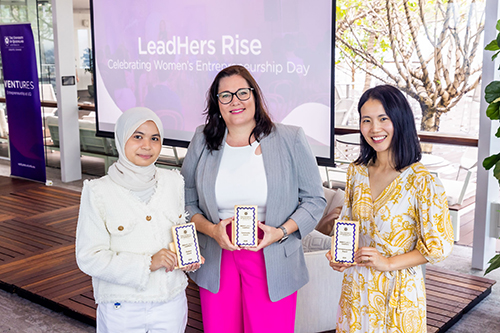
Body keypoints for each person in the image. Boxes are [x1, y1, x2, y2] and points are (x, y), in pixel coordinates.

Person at [181, 65, 326, 333]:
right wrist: (212, 230)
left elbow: (314, 200)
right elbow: (186, 200)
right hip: (217, 256)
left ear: (255, 96)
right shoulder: (202, 140)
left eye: (242, 92)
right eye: (225, 95)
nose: (235, 101)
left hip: (272, 256)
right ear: (217, 104)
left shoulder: (290, 138)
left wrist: (281, 231)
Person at [326, 85, 454, 333]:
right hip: (357, 288)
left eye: (383, 119)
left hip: (398, 293)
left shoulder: (422, 181)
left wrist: (388, 263)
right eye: (366, 120)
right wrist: (339, 254)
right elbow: (348, 223)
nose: (375, 129)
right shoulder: (357, 172)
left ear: (400, 120)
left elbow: (439, 247)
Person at [75, 107, 202, 333]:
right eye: (137, 137)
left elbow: (180, 232)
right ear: (121, 138)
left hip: (170, 301)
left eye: (155, 138)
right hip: (121, 306)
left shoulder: (174, 182)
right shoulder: (98, 191)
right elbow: (89, 258)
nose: (147, 146)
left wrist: (188, 256)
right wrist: (146, 264)